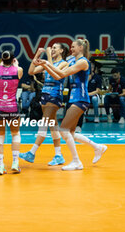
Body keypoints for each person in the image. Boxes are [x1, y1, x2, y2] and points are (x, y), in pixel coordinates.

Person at [35, 39, 107, 171]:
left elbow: (62, 73)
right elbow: (57, 75)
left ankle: (77, 161)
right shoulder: (71, 60)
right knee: (71, 134)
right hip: (73, 99)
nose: (71, 49)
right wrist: (45, 65)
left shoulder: (83, 62)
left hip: (81, 98)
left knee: (63, 130)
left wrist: (46, 62)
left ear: (81, 48)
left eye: (73, 47)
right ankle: (98, 147)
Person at [20, 43, 69, 166]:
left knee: (44, 122)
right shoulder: (47, 63)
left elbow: (54, 73)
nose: (52, 50)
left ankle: (31, 153)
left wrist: (47, 56)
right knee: (53, 126)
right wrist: (37, 55)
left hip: (55, 95)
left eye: (54, 48)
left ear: (61, 50)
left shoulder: (64, 63)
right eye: (51, 48)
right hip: (45, 94)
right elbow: (31, 71)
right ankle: (58, 155)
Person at [0, 51, 23, 175]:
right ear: (13, 59)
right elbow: (17, 69)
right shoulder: (18, 70)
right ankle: (15, 163)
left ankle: (0, 165)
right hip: (12, 108)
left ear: (1, 59)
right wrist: (15, 65)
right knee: (15, 134)